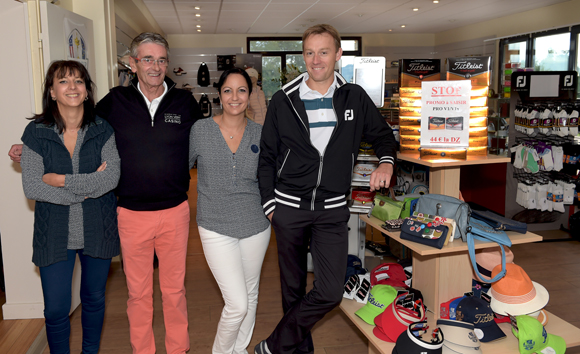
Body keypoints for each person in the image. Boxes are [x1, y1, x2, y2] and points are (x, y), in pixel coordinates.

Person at [9, 33, 202, 353]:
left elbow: (204, 141)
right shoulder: (115, 101)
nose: (155, 66)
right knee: (138, 293)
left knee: (174, 290)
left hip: (175, 211)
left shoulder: (184, 103)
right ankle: (143, 350)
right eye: (148, 59)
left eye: (161, 60)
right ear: (133, 62)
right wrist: (30, 147)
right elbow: (76, 121)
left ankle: (178, 349)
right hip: (129, 213)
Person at [255, 24, 397, 354]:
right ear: (302, 56)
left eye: (323, 52)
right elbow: (267, 158)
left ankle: (275, 345)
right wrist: (270, 207)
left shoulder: (354, 96)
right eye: (309, 52)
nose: (316, 60)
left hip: (332, 210)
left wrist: (387, 162)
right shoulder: (284, 99)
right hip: (288, 207)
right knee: (292, 290)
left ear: (337, 55)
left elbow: (383, 136)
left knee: (331, 291)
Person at [20, 60, 120, 354]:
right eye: (63, 81)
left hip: (97, 228)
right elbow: (33, 186)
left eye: (78, 81)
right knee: (55, 308)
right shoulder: (36, 133)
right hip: (54, 233)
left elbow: (110, 179)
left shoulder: (103, 129)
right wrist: (86, 188)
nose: (72, 87)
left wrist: (59, 180)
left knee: (93, 300)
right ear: (51, 92)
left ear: (87, 91)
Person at [190, 67, 271, 354]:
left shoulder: (261, 134)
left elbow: (272, 178)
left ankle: (239, 349)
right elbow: (177, 170)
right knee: (237, 303)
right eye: (228, 90)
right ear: (218, 95)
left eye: (241, 90)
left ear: (250, 96)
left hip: (256, 226)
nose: (234, 97)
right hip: (214, 225)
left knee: (250, 294)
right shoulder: (200, 130)